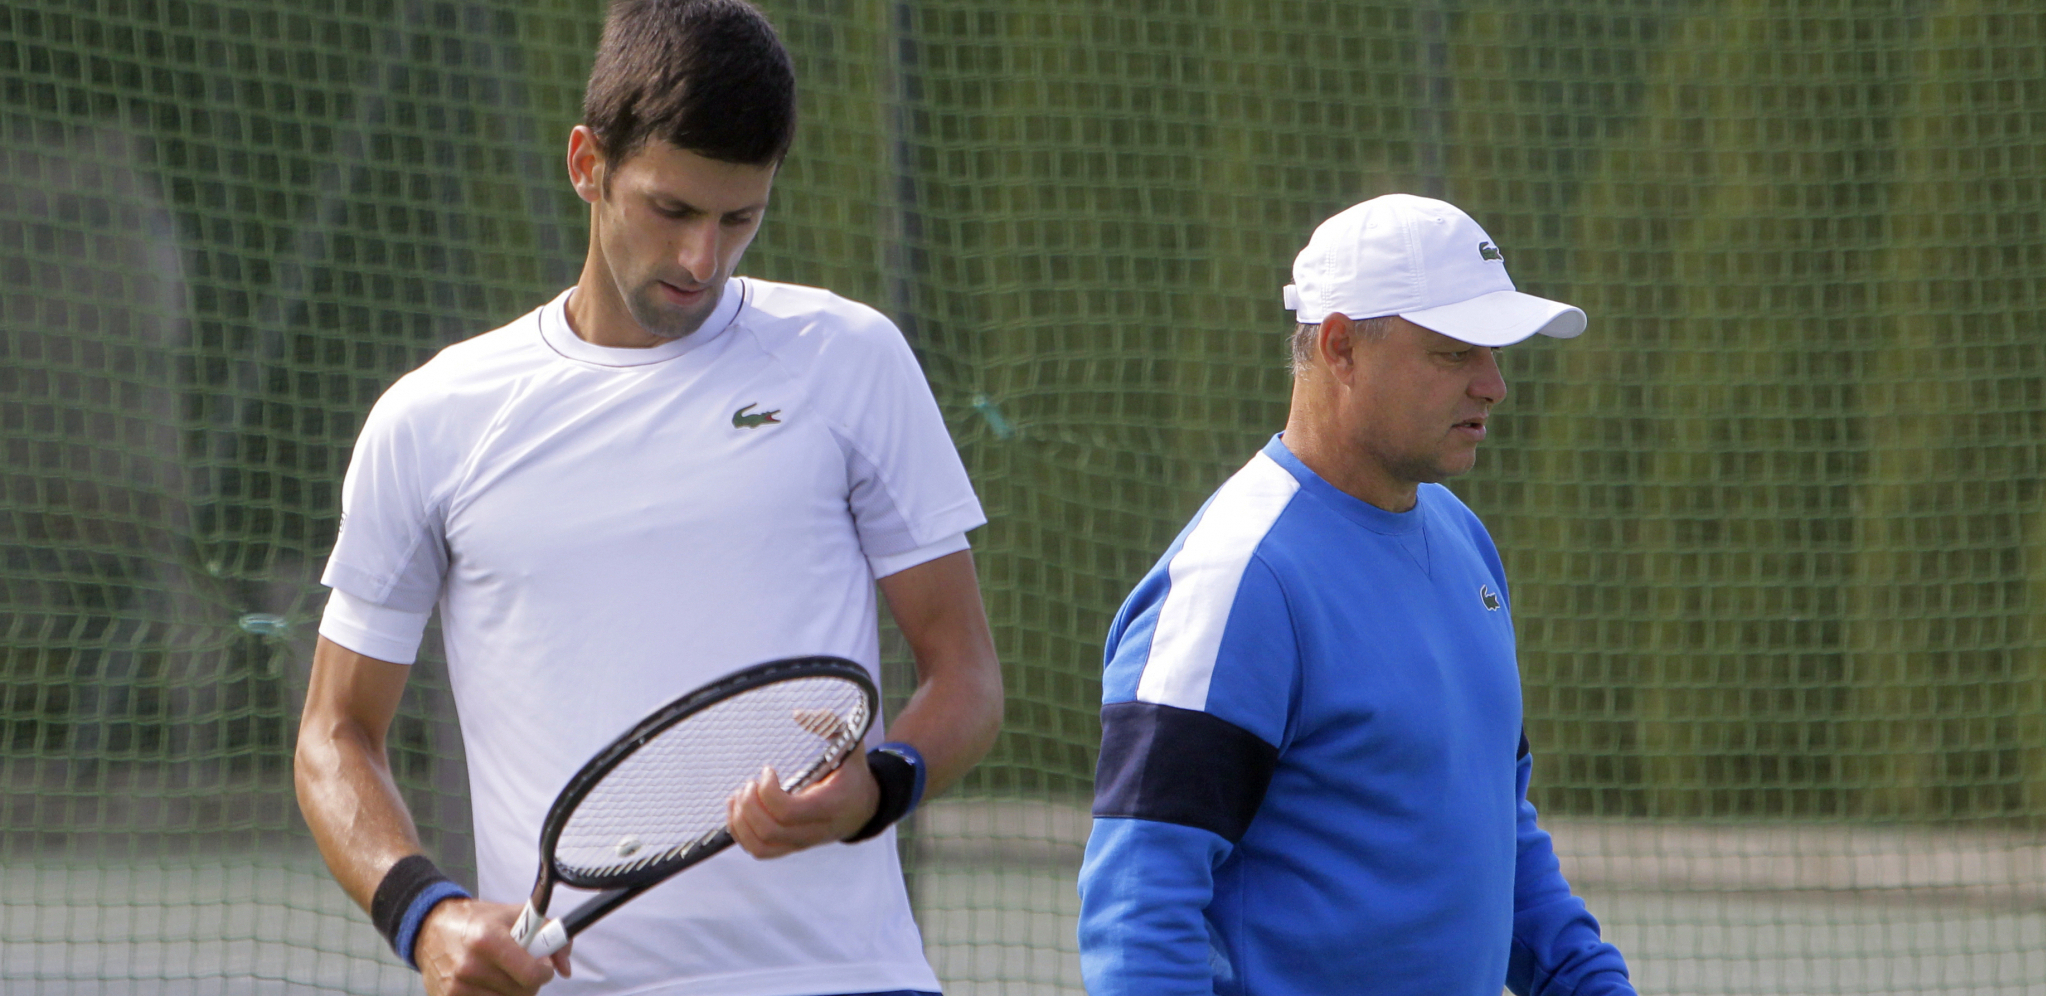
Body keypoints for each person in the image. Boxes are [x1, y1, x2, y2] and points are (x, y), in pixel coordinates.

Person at [292, 3, 1003, 995]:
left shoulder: (853, 360)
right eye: (671, 211)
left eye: (738, 220)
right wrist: (428, 915)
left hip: (852, 976)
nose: (701, 262)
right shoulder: (433, 420)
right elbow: (334, 733)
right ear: (588, 163)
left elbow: (966, 676)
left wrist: (880, 788)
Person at [1075, 193, 1635, 996]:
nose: (1495, 385)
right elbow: (1139, 909)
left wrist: (1591, 982)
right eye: (1454, 354)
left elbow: (1493, 832)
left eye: (1496, 352)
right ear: (1340, 347)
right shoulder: (1239, 578)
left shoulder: (1462, 538)